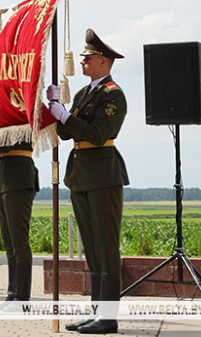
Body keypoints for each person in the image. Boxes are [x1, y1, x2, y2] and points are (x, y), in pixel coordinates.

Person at [47, 29, 128, 335]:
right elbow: (67, 134)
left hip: (103, 174)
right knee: (92, 248)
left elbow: (97, 134)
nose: (82, 61)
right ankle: (97, 314)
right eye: (82, 57)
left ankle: (109, 318)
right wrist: (57, 110)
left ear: (104, 62)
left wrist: (66, 117)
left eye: (88, 58)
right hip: (81, 174)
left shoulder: (113, 95)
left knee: (106, 246)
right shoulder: (83, 94)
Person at [0, 142, 37, 302]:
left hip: (20, 178)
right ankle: (13, 291)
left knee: (19, 241)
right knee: (9, 242)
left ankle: (22, 295)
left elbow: (10, 145)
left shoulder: (22, 118)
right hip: (5, 180)